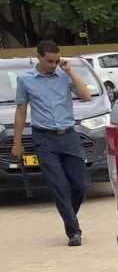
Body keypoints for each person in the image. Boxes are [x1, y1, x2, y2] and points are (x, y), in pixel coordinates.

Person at [12, 40, 94, 246]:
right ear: (39, 57)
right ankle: (73, 232)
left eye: (57, 60)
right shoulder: (26, 80)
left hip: (69, 136)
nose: (54, 65)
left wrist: (70, 72)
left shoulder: (64, 76)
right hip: (44, 138)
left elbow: (86, 96)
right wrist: (17, 141)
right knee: (59, 186)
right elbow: (21, 111)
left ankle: (69, 216)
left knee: (81, 184)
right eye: (50, 61)